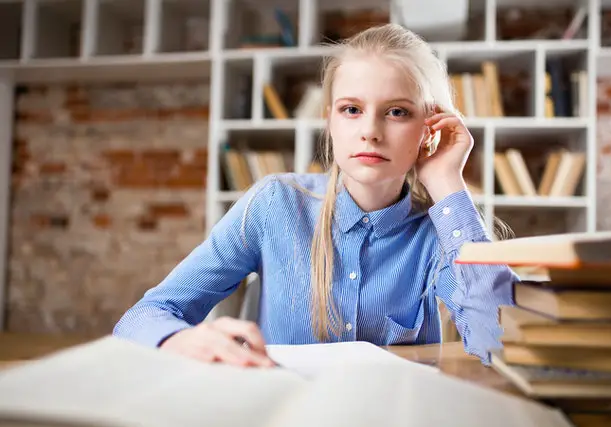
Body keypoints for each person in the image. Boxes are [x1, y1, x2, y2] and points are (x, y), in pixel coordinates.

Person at [113, 23, 516, 368]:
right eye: (351, 109)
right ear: (329, 121)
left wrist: (447, 182)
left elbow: (500, 344)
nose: (370, 131)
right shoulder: (275, 204)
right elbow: (143, 317)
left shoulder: (439, 233)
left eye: (397, 112)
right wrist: (181, 341)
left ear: (429, 128)